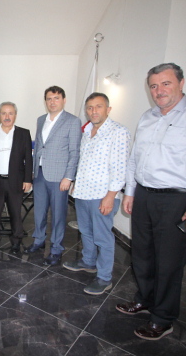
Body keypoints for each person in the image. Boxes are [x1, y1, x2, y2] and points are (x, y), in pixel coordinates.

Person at [117, 63, 186, 340]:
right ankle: (145, 299)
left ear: (181, 83)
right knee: (142, 255)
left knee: (168, 262)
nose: (159, 90)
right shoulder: (148, 117)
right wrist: (130, 192)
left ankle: (163, 317)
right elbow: (135, 159)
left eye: (166, 84)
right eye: (153, 86)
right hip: (144, 195)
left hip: (177, 199)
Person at [62, 93, 130, 295]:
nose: (94, 111)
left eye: (98, 106)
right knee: (86, 231)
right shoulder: (87, 131)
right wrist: (76, 183)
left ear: (108, 109)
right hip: (83, 192)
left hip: (102, 195)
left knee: (102, 237)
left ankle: (104, 278)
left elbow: (120, 168)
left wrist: (110, 196)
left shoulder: (118, 132)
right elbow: (83, 161)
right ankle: (88, 261)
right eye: (90, 107)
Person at [24, 86, 82, 266]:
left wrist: (69, 177)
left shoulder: (72, 121)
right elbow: (39, 147)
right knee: (39, 211)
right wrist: (33, 171)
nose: (52, 102)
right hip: (40, 173)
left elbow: (74, 152)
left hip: (59, 176)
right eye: (49, 98)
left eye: (56, 98)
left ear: (64, 100)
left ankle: (56, 248)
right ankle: (39, 240)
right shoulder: (41, 120)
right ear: (45, 101)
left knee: (58, 214)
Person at [0, 102, 33, 254]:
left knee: (15, 212)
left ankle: (16, 240)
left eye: (10, 113)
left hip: (16, 181)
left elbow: (28, 159)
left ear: (15, 115)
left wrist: (28, 179)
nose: (7, 116)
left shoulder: (24, 134)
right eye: (4, 113)